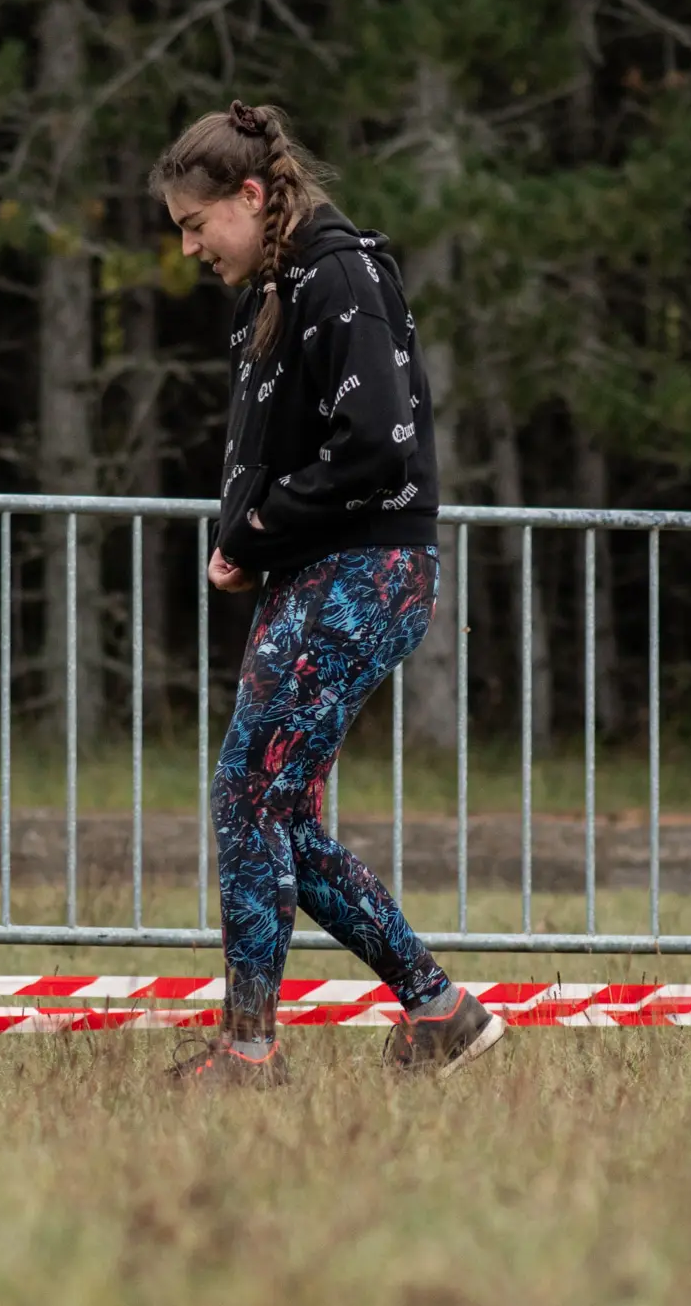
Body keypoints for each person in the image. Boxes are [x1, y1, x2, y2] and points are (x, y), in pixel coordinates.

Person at [151, 101, 505, 1085]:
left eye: (195, 222)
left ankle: (250, 1050)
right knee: (276, 812)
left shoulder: (338, 277)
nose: (187, 246)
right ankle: (439, 1012)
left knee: (245, 795)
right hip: (326, 571)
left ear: (251, 195)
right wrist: (254, 539)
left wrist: (256, 530)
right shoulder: (285, 284)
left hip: (362, 573)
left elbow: (376, 444)